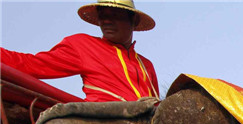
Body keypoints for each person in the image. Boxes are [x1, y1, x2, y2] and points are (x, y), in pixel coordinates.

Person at [1, 0, 158, 103]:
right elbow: (31, 65)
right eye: (103, 16)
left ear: (133, 21)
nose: (107, 21)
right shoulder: (82, 45)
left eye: (115, 15)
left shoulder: (146, 65)